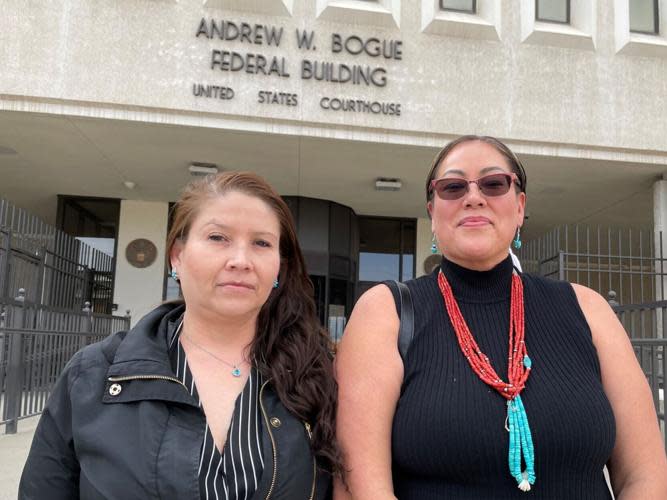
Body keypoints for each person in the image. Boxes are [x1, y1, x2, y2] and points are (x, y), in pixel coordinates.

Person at [335, 135, 667, 499]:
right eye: (452, 186)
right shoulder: (386, 313)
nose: (473, 197)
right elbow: (360, 486)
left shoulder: (588, 310)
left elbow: (646, 474)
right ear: (432, 212)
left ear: (520, 206)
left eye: (494, 184)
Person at [20, 172, 339, 499]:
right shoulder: (92, 375)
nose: (241, 261)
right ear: (177, 256)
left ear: (278, 268)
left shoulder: (317, 373)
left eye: (261, 243)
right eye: (218, 237)